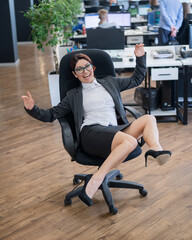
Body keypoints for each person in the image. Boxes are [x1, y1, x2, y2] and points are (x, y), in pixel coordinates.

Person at [22, 44, 171, 207]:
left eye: (87, 67)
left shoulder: (110, 82)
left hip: (115, 130)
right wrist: (32, 108)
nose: (85, 71)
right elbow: (50, 115)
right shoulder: (73, 95)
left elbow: (136, 79)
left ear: (93, 67)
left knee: (149, 118)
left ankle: (156, 150)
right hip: (91, 133)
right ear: (75, 74)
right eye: (80, 69)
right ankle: (97, 179)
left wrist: (140, 57)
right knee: (130, 142)